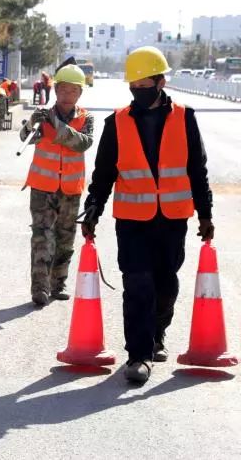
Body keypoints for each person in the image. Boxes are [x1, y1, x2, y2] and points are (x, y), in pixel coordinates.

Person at [81, 46, 213, 384]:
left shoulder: (186, 118)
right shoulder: (118, 122)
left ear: (161, 81)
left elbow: (197, 169)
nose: (139, 91)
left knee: (165, 282)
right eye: (133, 86)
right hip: (132, 220)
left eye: (145, 85)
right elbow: (104, 172)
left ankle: (157, 333)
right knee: (137, 282)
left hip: (172, 219)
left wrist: (205, 214)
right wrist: (94, 207)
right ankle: (137, 355)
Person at [20, 64, 94, 306]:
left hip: (70, 191)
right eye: (63, 90)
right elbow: (26, 137)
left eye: (73, 91)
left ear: (80, 94)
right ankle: (39, 287)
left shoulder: (86, 119)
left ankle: (57, 284)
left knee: (65, 239)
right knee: (42, 237)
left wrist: (55, 124)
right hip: (43, 189)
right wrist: (32, 123)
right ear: (56, 91)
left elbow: (82, 143)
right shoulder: (43, 116)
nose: (67, 96)